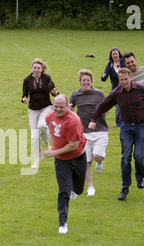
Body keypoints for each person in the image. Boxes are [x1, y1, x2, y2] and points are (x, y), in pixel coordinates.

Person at [88, 68, 144, 201]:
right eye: (121, 80)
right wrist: (93, 120)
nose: (124, 82)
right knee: (125, 157)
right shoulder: (116, 93)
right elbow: (103, 105)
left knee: (138, 155)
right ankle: (125, 188)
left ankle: (140, 177)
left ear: (131, 78)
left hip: (142, 126)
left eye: (126, 79)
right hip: (125, 128)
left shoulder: (141, 89)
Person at [44, 94, 87, 234]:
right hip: (62, 161)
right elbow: (51, 131)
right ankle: (62, 223)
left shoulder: (73, 120)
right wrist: (50, 146)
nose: (58, 109)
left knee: (79, 189)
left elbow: (73, 146)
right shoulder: (49, 117)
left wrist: (53, 152)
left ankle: (75, 188)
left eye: (61, 107)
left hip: (78, 157)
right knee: (63, 190)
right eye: (55, 106)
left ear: (68, 106)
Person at [70, 69, 107, 197]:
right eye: (83, 80)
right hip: (83, 132)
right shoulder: (75, 95)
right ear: (80, 82)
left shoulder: (99, 94)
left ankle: (100, 161)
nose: (86, 82)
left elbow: (106, 107)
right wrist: (69, 109)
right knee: (86, 161)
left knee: (97, 156)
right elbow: (71, 109)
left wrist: (102, 113)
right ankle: (90, 187)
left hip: (100, 130)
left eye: (88, 80)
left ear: (91, 81)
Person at [22, 58, 58, 169]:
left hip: (46, 107)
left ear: (42, 69)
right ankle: (37, 160)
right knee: (34, 137)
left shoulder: (47, 78)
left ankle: (47, 143)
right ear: (31, 68)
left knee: (42, 125)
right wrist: (24, 99)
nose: (36, 70)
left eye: (38, 68)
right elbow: (24, 94)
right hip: (33, 109)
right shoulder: (27, 80)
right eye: (35, 68)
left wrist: (54, 92)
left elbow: (53, 92)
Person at [101, 47, 126, 127]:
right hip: (116, 89)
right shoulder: (110, 65)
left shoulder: (124, 62)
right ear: (111, 56)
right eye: (113, 54)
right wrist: (103, 76)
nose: (115, 55)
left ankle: (127, 121)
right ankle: (119, 124)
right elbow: (104, 78)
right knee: (118, 107)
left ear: (119, 54)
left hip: (126, 87)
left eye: (116, 53)